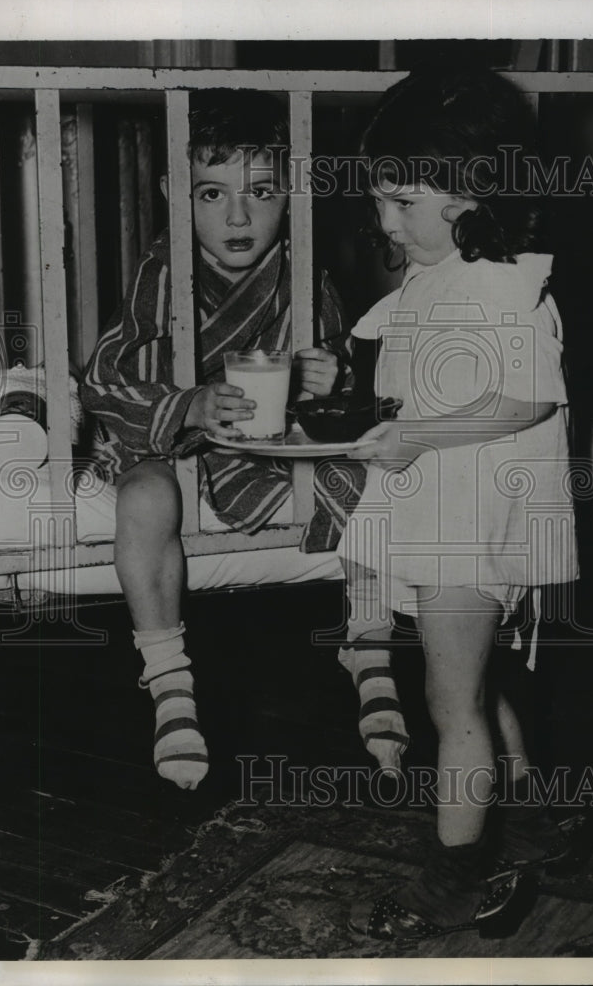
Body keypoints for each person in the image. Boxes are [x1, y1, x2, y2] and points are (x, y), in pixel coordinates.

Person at [81, 89, 403, 792]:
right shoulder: (161, 271)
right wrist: (186, 403)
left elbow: (335, 373)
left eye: (261, 191)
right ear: (176, 193)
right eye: (211, 192)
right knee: (142, 499)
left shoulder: (303, 271)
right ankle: (167, 676)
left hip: (266, 442)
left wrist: (326, 375)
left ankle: (368, 646)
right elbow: (103, 377)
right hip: (168, 433)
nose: (236, 215)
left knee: (371, 477)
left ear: (290, 194)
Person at [338, 65, 580, 939]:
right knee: (476, 683)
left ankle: (453, 875)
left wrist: (418, 437)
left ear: (473, 189)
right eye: (381, 201)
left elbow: (530, 400)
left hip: (471, 520)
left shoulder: (499, 285)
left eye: (402, 202)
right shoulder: (450, 272)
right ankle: (536, 821)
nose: (385, 220)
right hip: (452, 508)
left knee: (450, 704)